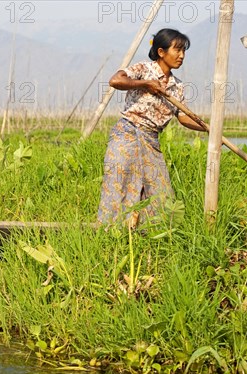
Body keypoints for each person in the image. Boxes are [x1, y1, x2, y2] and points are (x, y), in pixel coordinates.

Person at [97, 28, 205, 227]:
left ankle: (151, 235)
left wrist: (208, 128)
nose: (181, 56)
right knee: (118, 183)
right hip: (127, 133)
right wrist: (146, 84)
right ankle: (110, 233)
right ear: (161, 52)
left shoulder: (177, 86)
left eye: (184, 51)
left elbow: (182, 117)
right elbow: (116, 81)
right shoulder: (143, 70)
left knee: (159, 190)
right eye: (177, 50)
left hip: (151, 139)